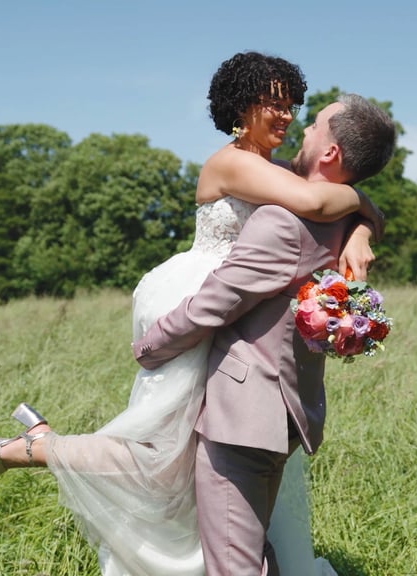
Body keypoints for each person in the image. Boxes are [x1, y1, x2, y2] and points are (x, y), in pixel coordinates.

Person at [0, 52, 387, 576]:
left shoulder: (277, 169)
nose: (286, 116)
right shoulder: (233, 162)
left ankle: (41, 447)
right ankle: (35, 449)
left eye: (294, 106)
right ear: (243, 106)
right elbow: (316, 198)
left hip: (229, 313)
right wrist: (356, 208)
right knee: (160, 458)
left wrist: (363, 227)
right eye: (274, 104)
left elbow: (347, 201)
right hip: (194, 301)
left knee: (181, 460)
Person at [132, 92, 397, 574]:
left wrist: (148, 348)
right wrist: (360, 217)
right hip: (286, 403)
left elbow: (218, 301)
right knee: (246, 539)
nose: (299, 125)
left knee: (157, 470)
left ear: (331, 152)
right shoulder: (329, 213)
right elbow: (340, 203)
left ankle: (36, 447)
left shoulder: (285, 217)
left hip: (243, 406)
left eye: (313, 122)